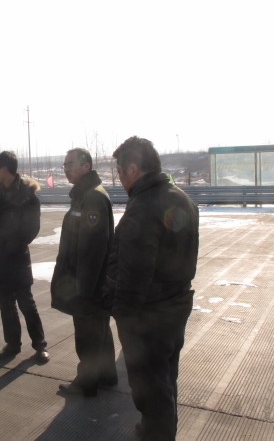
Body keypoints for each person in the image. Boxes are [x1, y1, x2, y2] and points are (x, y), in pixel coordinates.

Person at [103, 137, 199, 440]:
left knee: (149, 387)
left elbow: (135, 272)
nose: (120, 179)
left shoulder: (143, 207)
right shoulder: (180, 197)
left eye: (120, 172)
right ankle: (157, 429)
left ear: (133, 169)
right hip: (175, 303)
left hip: (148, 314)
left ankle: (156, 433)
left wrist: (123, 316)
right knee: (165, 379)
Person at [51, 148, 117, 397]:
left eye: (70, 164)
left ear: (86, 166)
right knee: (100, 329)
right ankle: (107, 375)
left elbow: (92, 249)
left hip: (88, 283)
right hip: (92, 281)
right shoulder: (86, 195)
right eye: (64, 164)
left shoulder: (92, 198)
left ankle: (86, 384)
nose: (66, 168)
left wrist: (84, 289)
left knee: (88, 334)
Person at [0, 151, 50, 364]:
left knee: (26, 303)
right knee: (6, 305)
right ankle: (12, 345)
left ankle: (40, 346)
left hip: (17, 258)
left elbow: (31, 229)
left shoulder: (27, 196)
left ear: (5, 169)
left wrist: (11, 244)